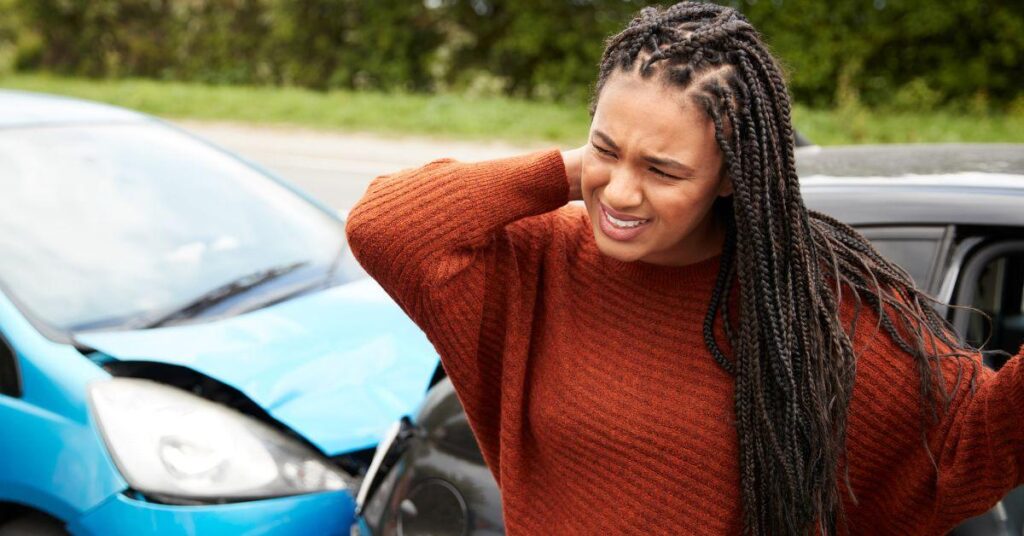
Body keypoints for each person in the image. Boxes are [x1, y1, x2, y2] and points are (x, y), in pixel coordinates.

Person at [345, 2, 1023, 534]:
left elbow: (973, 444)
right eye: (605, 148)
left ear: (732, 176)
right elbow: (386, 227)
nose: (621, 195)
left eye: (664, 170)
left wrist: (619, 153)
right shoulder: (538, 260)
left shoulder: (814, 306)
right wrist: (578, 168)